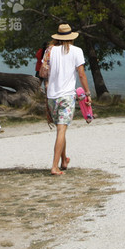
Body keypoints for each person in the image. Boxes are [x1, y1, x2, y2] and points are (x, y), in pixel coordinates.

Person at [44, 23, 92, 176]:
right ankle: (54, 166)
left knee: (60, 129)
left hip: (52, 95)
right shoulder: (77, 51)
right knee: (61, 130)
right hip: (66, 96)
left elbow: (44, 74)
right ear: (71, 37)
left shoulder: (50, 50)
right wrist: (87, 93)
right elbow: (82, 74)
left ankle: (64, 160)